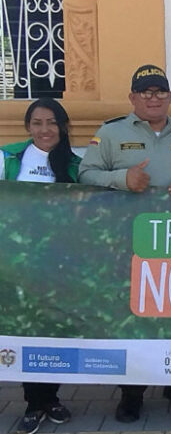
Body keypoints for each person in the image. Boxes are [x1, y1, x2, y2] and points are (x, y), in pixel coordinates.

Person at [78, 64, 171, 422]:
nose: (153, 97)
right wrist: (123, 177)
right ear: (133, 98)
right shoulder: (110, 132)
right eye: (146, 92)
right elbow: (85, 173)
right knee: (134, 316)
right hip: (127, 241)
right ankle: (132, 393)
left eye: (160, 91)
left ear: (170, 97)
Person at [1, 98, 79, 434]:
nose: (44, 130)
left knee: (56, 328)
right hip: (17, 261)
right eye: (37, 123)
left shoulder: (75, 164)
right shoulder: (9, 157)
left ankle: (52, 398)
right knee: (26, 330)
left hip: (59, 261)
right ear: (28, 126)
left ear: (63, 127)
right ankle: (34, 402)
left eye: (51, 123)